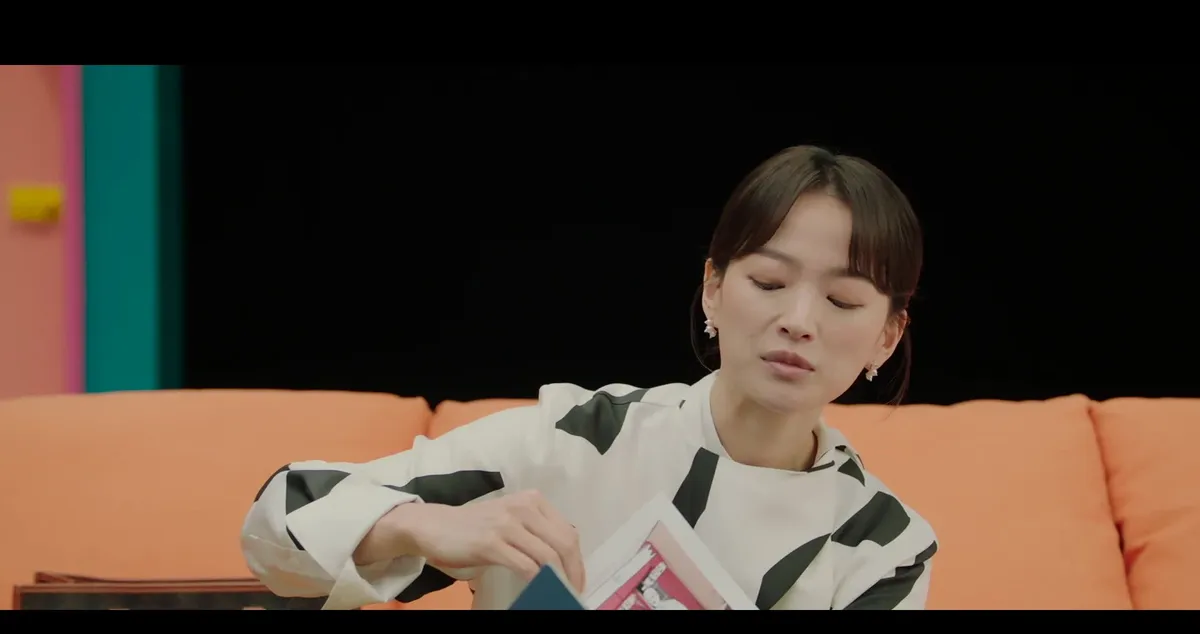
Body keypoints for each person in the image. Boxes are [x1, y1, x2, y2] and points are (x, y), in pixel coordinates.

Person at [241, 145, 938, 610]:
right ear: (713, 290)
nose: (799, 321)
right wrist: (422, 525)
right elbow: (279, 521)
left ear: (887, 334)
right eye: (769, 282)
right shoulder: (580, 436)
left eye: (842, 300)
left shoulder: (883, 542)